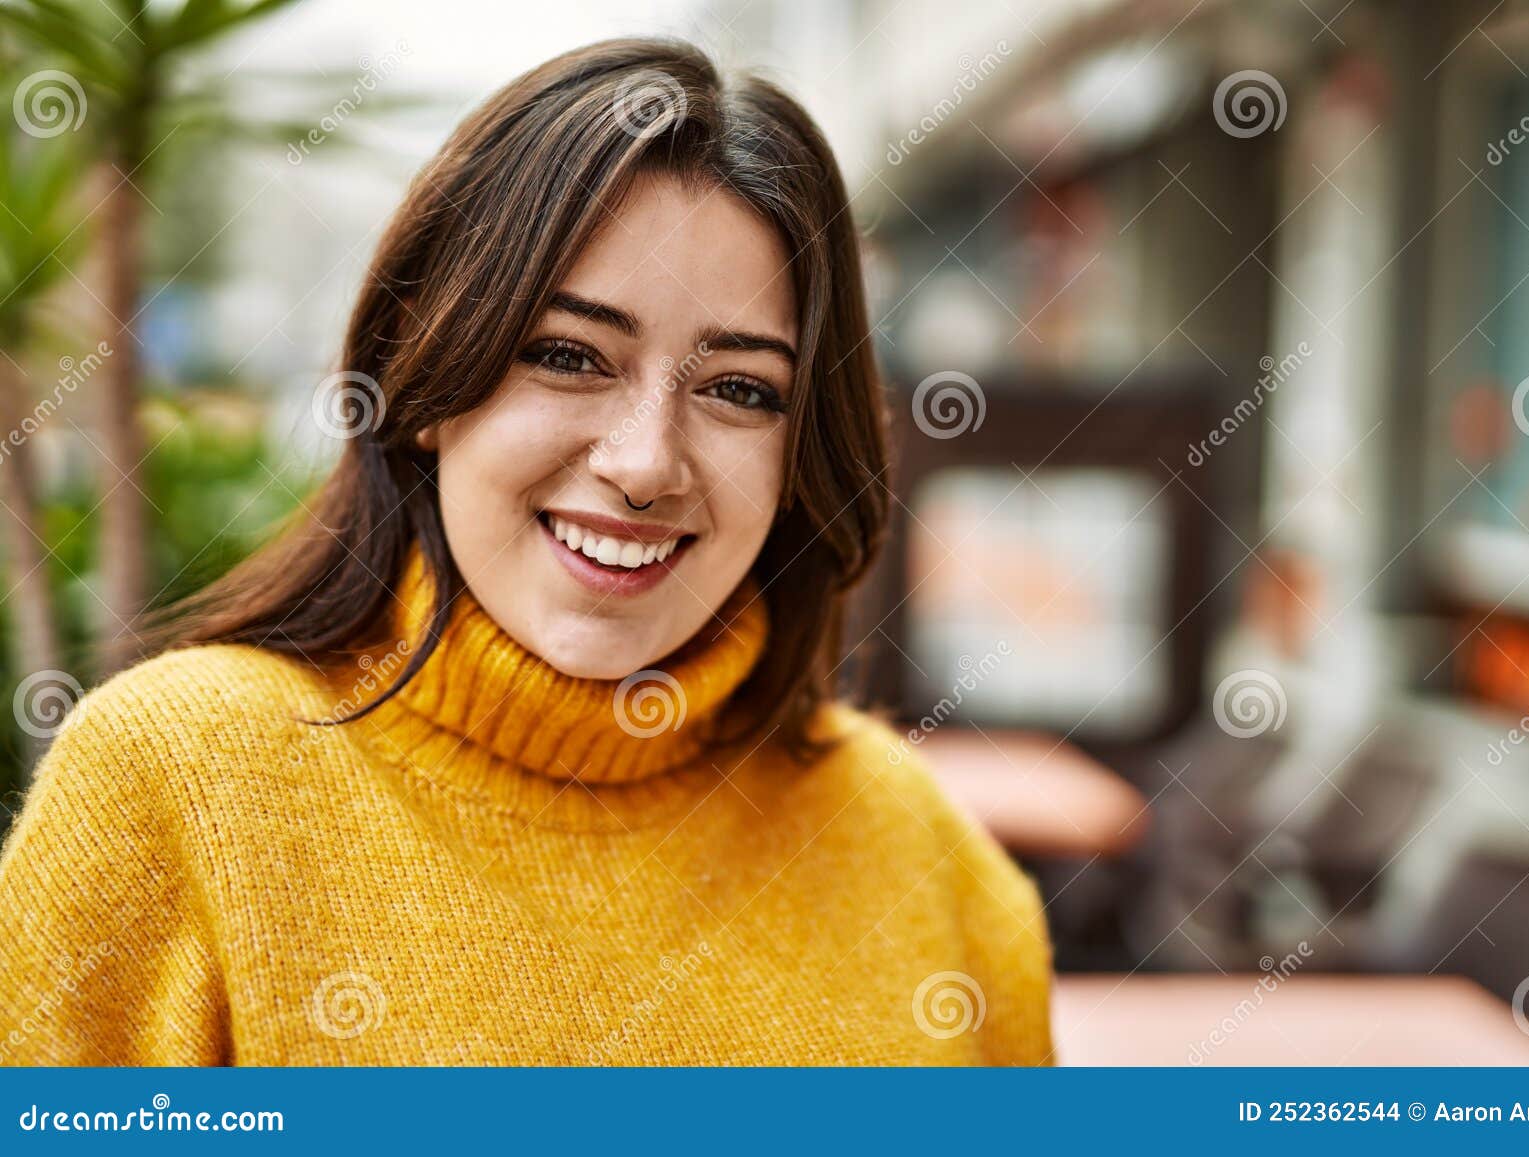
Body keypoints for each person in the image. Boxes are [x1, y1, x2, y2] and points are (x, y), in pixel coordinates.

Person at [0, 38, 1053, 1066]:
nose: (645, 463)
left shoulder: (927, 856)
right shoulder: (172, 779)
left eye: (739, 388)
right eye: (565, 355)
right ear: (423, 379)